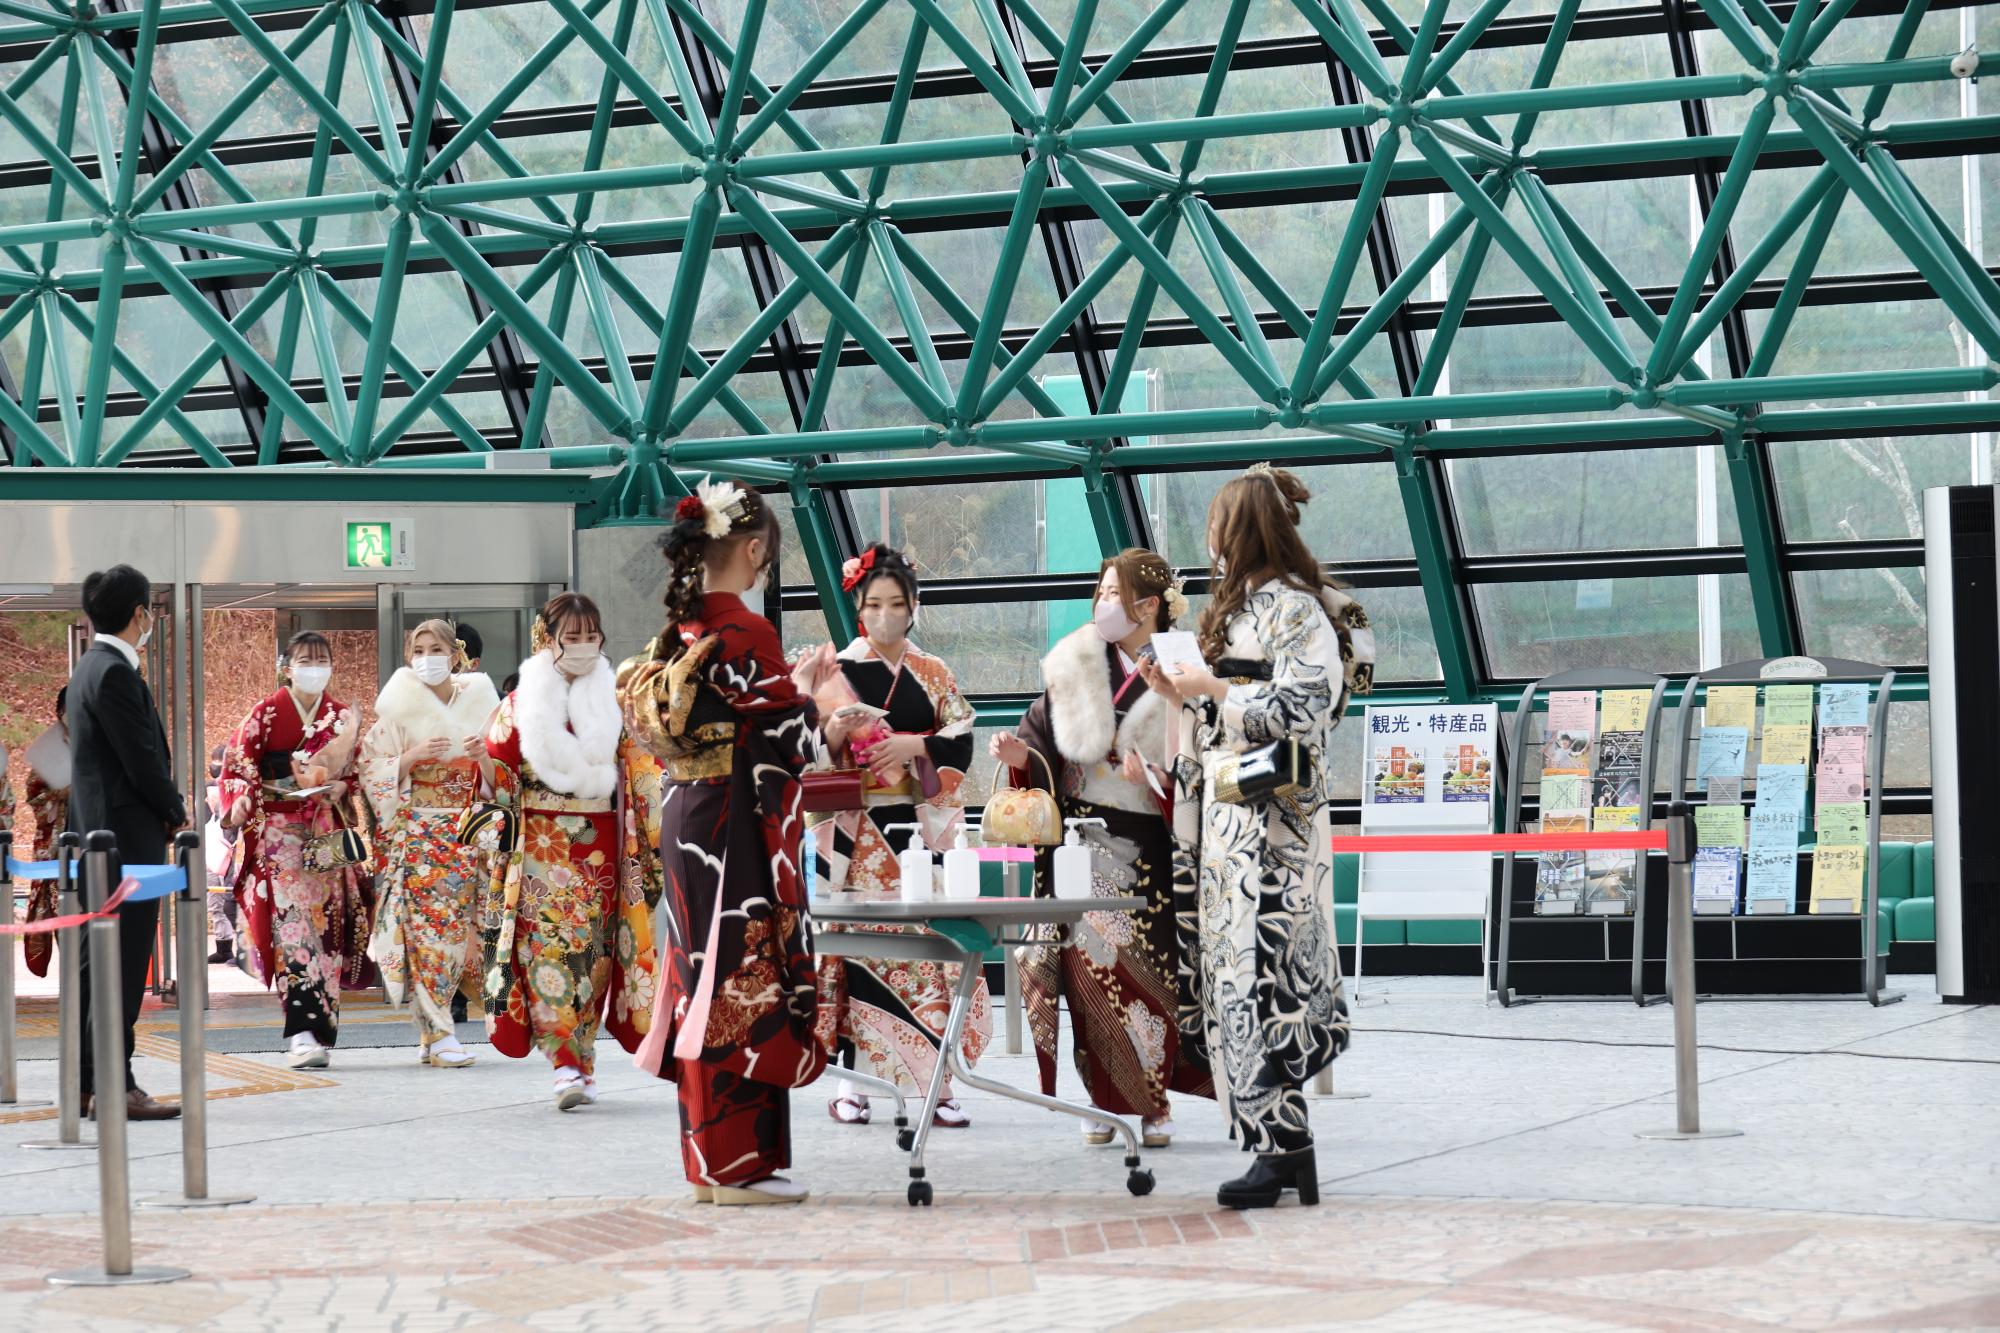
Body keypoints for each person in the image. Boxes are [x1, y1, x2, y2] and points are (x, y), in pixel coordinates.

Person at [1140, 464, 1374, 1211]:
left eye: (1217, 523)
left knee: (1267, 974)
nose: (1208, 537)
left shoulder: (1296, 610)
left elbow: (1308, 705)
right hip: (1232, 818)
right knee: (1233, 975)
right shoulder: (1240, 607)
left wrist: (1215, 693)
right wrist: (1183, 697)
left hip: (1275, 825)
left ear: (1240, 529)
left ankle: (1283, 1149)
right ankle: (1282, 1147)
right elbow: (1234, 711)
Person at [622, 479, 855, 1205]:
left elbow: (751, 715)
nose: (762, 570)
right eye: (765, 558)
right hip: (732, 829)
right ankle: (734, 1165)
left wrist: (796, 688)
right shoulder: (747, 630)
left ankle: (709, 1163)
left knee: (704, 979)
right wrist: (826, 713)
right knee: (741, 982)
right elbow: (792, 741)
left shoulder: (683, 631)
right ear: (753, 549)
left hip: (689, 813)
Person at [993, 548, 1214, 1150]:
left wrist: (1166, 776)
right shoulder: (1075, 662)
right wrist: (1022, 760)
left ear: (1149, 604)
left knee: (1152, 980)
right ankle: (1103, 1099)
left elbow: (1209, 750)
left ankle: (1154, 1105)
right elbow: (1040, 742)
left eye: (1117, 593)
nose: (1104, 603)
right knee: (1089, 976)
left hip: (1149, 845)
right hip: (1081, 847)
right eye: (1102, 591)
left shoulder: (1182, 664)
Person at [810, 544, 988, 1128]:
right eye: (873, 603)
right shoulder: (837, 670)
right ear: (858, 607)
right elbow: (810, 755)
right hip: (858, 836)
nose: (885, 614)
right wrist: (835, 734)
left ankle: (936, 1084)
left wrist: (917, 745)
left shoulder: (932, 671)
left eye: (896, 603)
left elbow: (961, 730)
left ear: (914, 606)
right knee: (863, 954)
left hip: (919, 829)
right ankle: (854, 1082)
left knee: (930, 956)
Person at [483, 594, 661, 1109]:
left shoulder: (617, 700)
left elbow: (643, 770)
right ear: (548, 639)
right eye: (572, 637)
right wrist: (484, 764)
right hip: (542, 845)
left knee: (593, 956)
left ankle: (581, 1059)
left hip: (601, 844)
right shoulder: (518, 704)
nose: (583, 647)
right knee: (548, 951)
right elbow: (500, 782)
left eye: (591, 636)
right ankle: (564, 1063)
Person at [66, 565, 184, 1121]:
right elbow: (142, 759)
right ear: (140, 614)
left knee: (99, 966)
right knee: (124, 963)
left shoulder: (89, 667)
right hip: (126, 843)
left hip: (99, 841)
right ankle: (117, 1083)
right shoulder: (114, 673)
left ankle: (93, 1082)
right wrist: (177, 810)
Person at [219, 631, 366, 1070]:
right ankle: (301, 1032)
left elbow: (357, 770)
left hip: (325, 827)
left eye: (322, 659)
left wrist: (343, 785)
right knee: (293, 931)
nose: (314, 666)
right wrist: (241, 799)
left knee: (328, 932)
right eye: (305, 659)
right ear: (287, 665)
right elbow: (239, 766)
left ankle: (320, 1029)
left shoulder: (340, 717)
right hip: (280, 833)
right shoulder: (265, 713)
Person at [362, 621, 499, 1068]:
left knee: (461, 937)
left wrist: (484, 760)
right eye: (418, 650)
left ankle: (432, 1032)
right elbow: (371, 770)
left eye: (435, 648)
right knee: (427, 939)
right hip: (420, 835)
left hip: (468, 833)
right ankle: (440, 1033)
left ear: (455, 654)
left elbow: (502, 780)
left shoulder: (482, 703)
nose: (426, 657)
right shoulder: (398, 709)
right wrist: (412, 757)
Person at [19, 686, 72, 979]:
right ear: (61, 712)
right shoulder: (50, 748)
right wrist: (61, 794)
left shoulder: (97, 742)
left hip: (93, 843)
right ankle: (73, 980)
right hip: (57, 849)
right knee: (62, 915)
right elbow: (33, 795)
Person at [202, 746, 241, 965]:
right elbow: (206, 819)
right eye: (214, 761)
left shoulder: (237, 789)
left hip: (233, 851)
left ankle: (243, 949)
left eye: (220, 762)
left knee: (231, 901)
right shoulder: (209, 789)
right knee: (216, 902)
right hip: (213, 851)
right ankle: (224, 947)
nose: (216, 767)